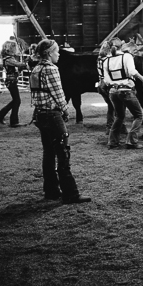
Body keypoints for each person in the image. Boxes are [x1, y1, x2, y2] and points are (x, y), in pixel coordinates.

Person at [29, 39, 90, 204]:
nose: (58, 55)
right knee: (63, 154)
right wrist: (65, 109)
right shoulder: (51, 69)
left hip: (40, 114)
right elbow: (58, 93)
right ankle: (70, 193)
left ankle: (51, 190)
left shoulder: (36, 69)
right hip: (52, 115)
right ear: (49, 53)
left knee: (48, 154)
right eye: (56, 52)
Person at [103, 39, 143, 150]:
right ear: (122, 46)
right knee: (139, 115)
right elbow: (132, 71)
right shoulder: (127, 57)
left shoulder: (105, 60)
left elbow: (106, 80)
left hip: (113, 91)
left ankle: (112, 142)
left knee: (119, 116)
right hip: (126, 90)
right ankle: (131, 141)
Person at [0, 40, 28, 127]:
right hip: (11, 81)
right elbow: (19, 65)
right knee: (17, 101)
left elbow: (18, 67)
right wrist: (26, 63)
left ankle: (0, 116)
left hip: (12, 80)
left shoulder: (9, 58)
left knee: (15, 101)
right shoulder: (9, 59)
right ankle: (14, 121)